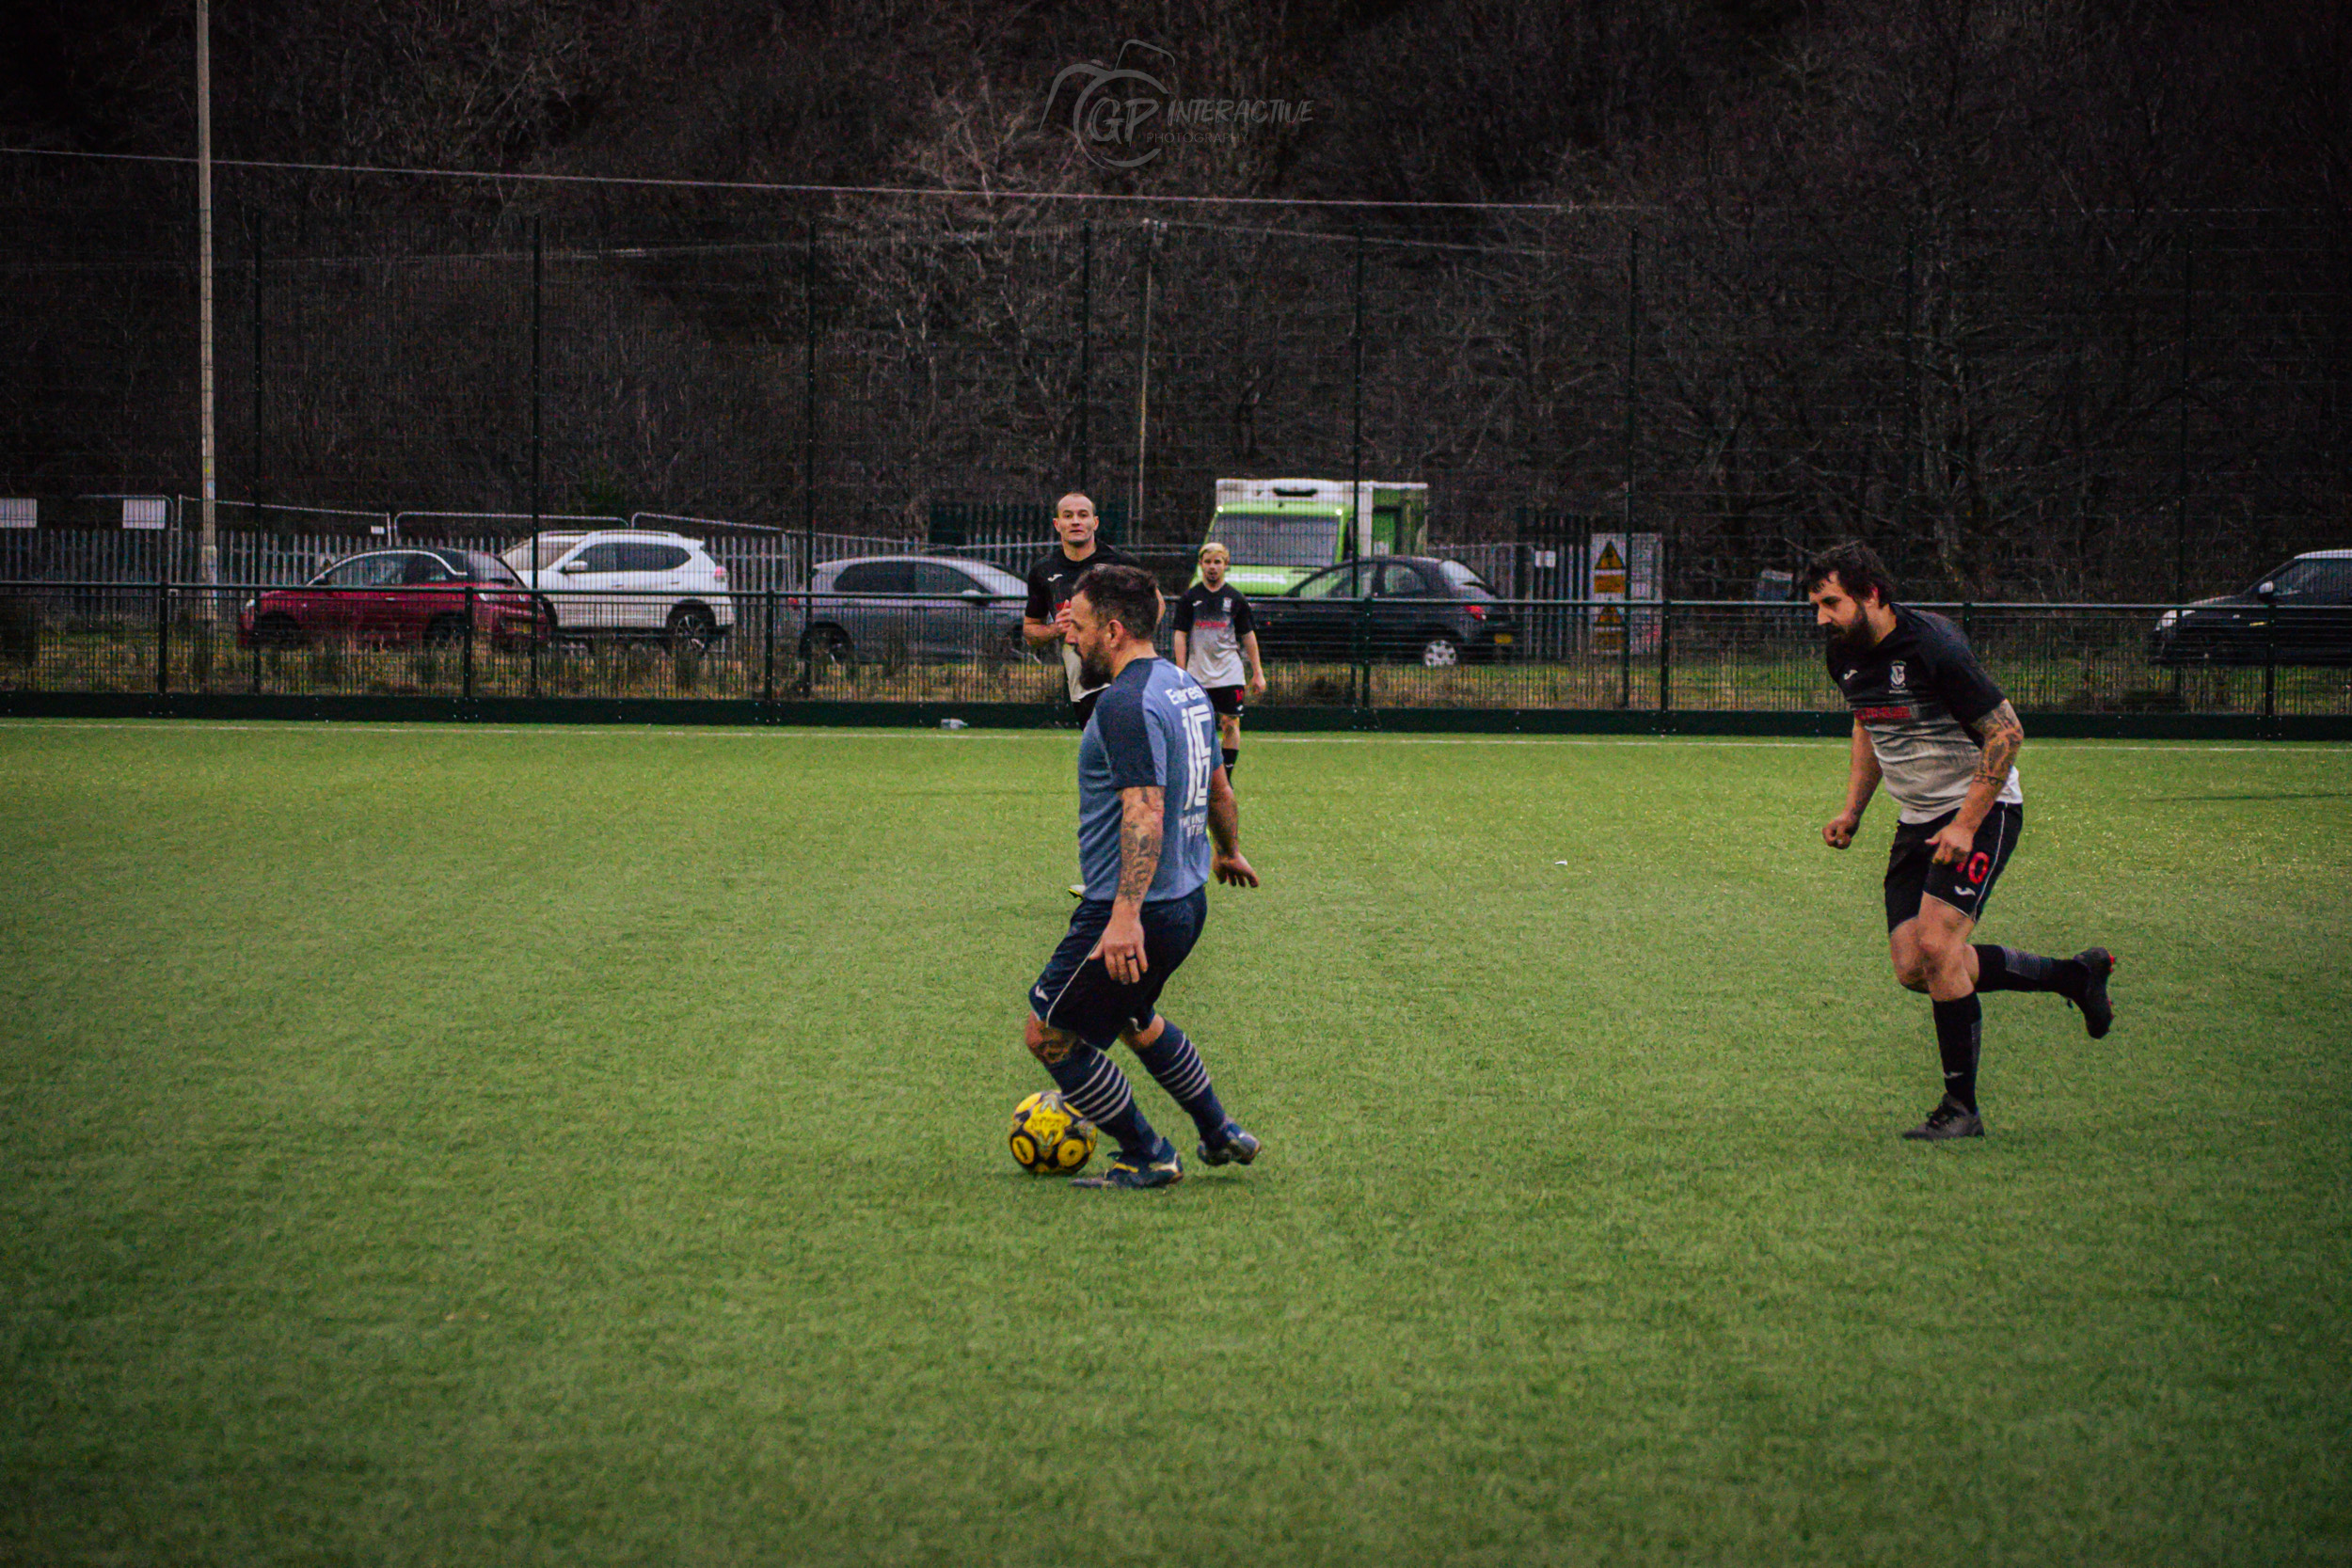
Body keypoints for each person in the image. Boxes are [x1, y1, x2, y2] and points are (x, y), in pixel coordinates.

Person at [1806, 541, 2117, 1141]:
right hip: (1917, 818)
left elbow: (2006, 733)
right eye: (1817, 605)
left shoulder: (1933, 646)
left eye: (1831, 603)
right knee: (1913, 967)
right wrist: (1853, 809)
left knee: (1939, 945)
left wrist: (1967, 823)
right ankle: (2074, 978)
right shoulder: (1842, 654)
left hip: (1982, 807)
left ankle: (1961, 1108)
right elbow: (1868, 725)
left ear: (1872, 594)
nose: (1821, 617)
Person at [1023, 562, 1263, 1189]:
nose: (1069, 638)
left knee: (1049, 1033)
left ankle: (1148, 1152)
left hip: (1135, 910)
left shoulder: (1125, 702)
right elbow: (1218, 786)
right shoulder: (1184, 687)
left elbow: (1145, 808)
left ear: (1115, 628)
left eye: (1077, 627)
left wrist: (1122, 916)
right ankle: (1217, 1128)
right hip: (1187, 902)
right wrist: (1229, 849)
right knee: (1134, 1018)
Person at [1022, 492, 1138, 725]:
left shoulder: (1122, 564)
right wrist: (1056, 629)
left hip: (1123, 677)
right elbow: (1030, 631)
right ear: (1057, 524)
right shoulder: (1043, 571)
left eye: (1083, 515)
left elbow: (1157, 608)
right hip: (1082, 685)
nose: (1075, 521)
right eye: (1068, 516)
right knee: (1102, 756)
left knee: (1115, 751)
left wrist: (1119, 627)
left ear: (1094, 522)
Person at [1170, 543, 1268, 781]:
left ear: (1226, 565)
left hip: (1229, 673)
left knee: (1230, 723)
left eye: (1218, 562)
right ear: (1201, 564)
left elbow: (1247, 636)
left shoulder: (1235, 598)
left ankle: (1226, 778)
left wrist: (1258, 672)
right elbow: (1180, 634)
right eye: (1208, 562)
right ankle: (1200, 775)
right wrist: (1181, 671)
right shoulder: (1190, 598)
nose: (1212, 567)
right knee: (1197, 728)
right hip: (1197, 674)